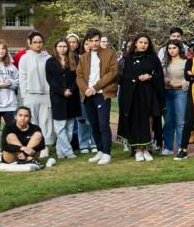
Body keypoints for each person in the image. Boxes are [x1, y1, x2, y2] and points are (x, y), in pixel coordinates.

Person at [118, 34, 163, 160]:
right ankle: (137, 150)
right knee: (136, 120)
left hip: (149, 92)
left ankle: (147, 149)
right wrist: (135, 78)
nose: (143, 45)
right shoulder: (128, 58)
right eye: (140, 42)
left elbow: (159, 75)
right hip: (133, 94)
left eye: (146, 43)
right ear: (135, 44)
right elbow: (123, 77)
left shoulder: (153, 58)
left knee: (149, 120)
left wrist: (150, 77)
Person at [78, 32, 118, 164]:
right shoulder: (84, 57)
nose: (94, 43)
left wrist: (95, 87)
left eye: (96, 40)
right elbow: (79, 76)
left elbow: (112, 73)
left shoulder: (109, 54)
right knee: (93, 124)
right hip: (88, 95)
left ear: (100, 40)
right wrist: (86, 90)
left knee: (103, 123)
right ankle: (100, 150)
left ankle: (107, 152)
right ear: (87, 42)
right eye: (91, 41)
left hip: (102, 93)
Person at [46, 38, 84, 160]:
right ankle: (68, 151)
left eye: (65, 46)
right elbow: (50, 80)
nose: (63, 48)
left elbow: (77, 77)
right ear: (56, 48)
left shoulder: (74, 60)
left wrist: (71, 90)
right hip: (57, 98)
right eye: (60, 46)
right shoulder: (50, 62)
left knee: (70, 127)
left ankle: (60, 151)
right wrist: (62, 91)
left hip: (72, 98)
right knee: (60, 127)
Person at [16, 31, 52, 155]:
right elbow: (22, 77)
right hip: (31, 94)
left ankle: (45, 146)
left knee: (46, 121)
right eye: (35, 42)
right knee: (33, 122)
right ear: (29, 43)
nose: (38, 45)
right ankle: (35, 146)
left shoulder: (48, 58)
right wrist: (24, 95)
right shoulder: (25, 58)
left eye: (40, 42)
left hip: (46, 94)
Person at [162, 40, 192, 155]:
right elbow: (160, 76)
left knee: (180, 122)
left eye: (174, 48)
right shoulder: (164, 63)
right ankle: (168, 147)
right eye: (169, 48)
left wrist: (177, 84)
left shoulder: (186, 62)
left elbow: (190, 80)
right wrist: (164, 80)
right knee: (168, 121)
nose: (171, 50)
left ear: (179, 49)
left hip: (181, 93)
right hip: (167, 93)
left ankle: (181, 147)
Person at [0, 106, 47, 170]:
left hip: (29, 154)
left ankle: (25, 159)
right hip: (12, 156)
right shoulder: (8, 127)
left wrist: (25, 154)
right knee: (11, 136)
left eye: (26, 116)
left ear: (29, 118)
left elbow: (42, 145)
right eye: (20, 115)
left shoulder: (35, 128)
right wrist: (22, 148)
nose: (23, 118)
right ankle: (28, 160)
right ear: (15, 117)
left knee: (38, 134)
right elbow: (4, 146)